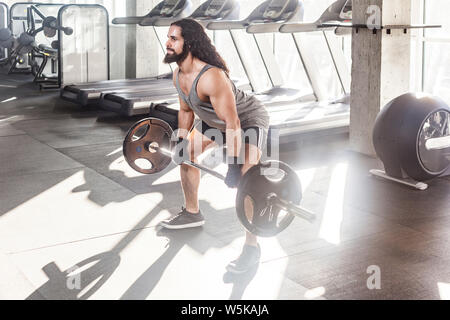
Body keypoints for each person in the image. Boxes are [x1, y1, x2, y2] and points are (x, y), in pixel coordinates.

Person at [159, 18, 270, 274]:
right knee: (186, 155)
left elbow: (233, 123)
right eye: (168, 37)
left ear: (190, 42)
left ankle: (252, 247)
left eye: (174, 38)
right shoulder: (179, 74)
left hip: (247, 120)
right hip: (213, 122)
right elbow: (186, 110)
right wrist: (180, 139)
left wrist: (233, 166)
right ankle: (192, 212)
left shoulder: (211, 76)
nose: (168, 43)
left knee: (245, 178)